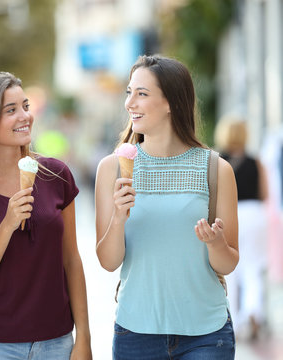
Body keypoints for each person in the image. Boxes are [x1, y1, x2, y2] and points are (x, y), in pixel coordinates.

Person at [94, 55, 239, 359]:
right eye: (128, 92)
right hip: (136, 334)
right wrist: (118, 218)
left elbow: (227, 264)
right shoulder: (112, 169)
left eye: (142, 94)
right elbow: (108, 262)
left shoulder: (216, 169)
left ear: (171, 102)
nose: (129, 103)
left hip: (207, 334)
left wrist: (215, 243)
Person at [0, 72, 92, 359]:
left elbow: (71, 261)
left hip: (56, 341)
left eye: (25, 106)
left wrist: (84, 339)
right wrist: (8, 224)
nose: (24, 116)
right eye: (11, 110)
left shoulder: (57, 175)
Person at [216, 117, 269, 340]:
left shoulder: (218, 161)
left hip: (231, 214)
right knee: (253, 267)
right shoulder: (255, 161)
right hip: (255, 213)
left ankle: (235, 322)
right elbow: (265, 193)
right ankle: (254, 311)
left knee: (232, 270)